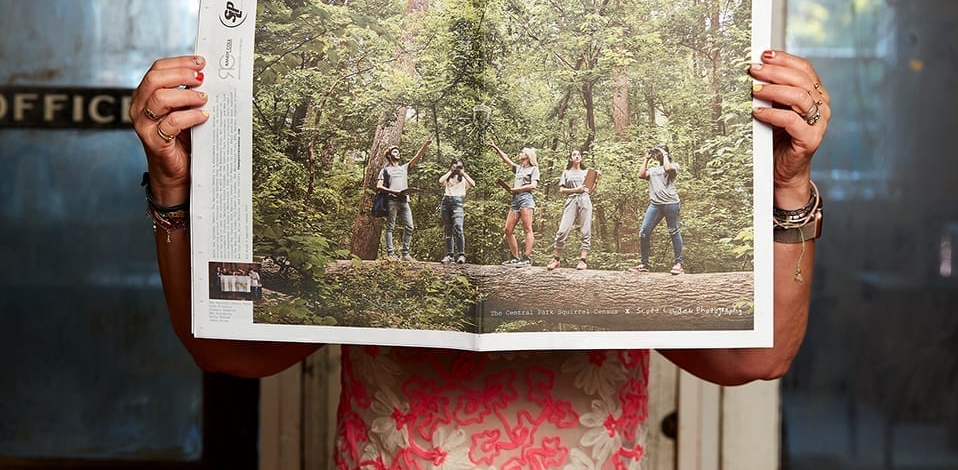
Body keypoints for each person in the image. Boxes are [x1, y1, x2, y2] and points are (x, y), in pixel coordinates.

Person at [132, 49, 829, 467]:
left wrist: (790, 186)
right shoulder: (440, 182)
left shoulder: (555, 173)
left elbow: (756, 359)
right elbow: (223, 348)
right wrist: (172, 185)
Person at [375, 139, 432, 261]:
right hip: (392, 201)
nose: (398, 153)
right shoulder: (385, 170)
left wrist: (425, 145)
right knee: (390, 227)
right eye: (395, 152)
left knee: (410, 226)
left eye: (398, 152)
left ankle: (405, 254)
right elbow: (379, 186)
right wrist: (393, 191)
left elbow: (417, 157)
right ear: (390, 155)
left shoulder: (404, 168)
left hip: (405, 200)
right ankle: (391, 253)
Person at [632, 145, 686, 274]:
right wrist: (646, 159)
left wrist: (664, 153)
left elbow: (667, 168)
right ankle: (644, 264)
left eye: (661, 152)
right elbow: (641, 175)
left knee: (673, 231)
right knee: (644, 232)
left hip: (671, 203)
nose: (659, 154)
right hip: (655, 205)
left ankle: (679, 264)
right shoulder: (653, 169)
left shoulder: (674, 166)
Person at [490, 142, 540, 267]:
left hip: (526, 199)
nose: (520, 154)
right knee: (507, 229)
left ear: (528, 156)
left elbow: (533, 185)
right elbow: (505, 159)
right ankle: (515, 257)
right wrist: (496, 147)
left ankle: (527, 258)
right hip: (515, 200)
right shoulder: (518, 168)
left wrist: (516, 190)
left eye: (522, 152)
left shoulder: (533, 169)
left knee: (527, 229)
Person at [548, 149, 595, 271]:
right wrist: (576, 190)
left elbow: (590, 190)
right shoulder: (566, 173)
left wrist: (596, 178)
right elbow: (562, 190)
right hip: (571, 199)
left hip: (585, 199)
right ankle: (556, 259)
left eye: (579, 154)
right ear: (570, 159)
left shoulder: (586, 172)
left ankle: (583, 260)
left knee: (585, 230)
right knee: (562, 231)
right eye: (574, 155)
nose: (577, 156)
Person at [438, 157, 475, 264]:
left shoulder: (463, 179)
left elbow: (473, 184)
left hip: (457, 202)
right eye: (455, 164)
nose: (457, 166)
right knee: (448, 229)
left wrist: (463, 173)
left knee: (459, 228)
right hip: (446, 202)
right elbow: (440, 182)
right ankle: (449, 255)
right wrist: (450, 171)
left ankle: (461, 255)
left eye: (459, 164)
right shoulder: (449, 177)